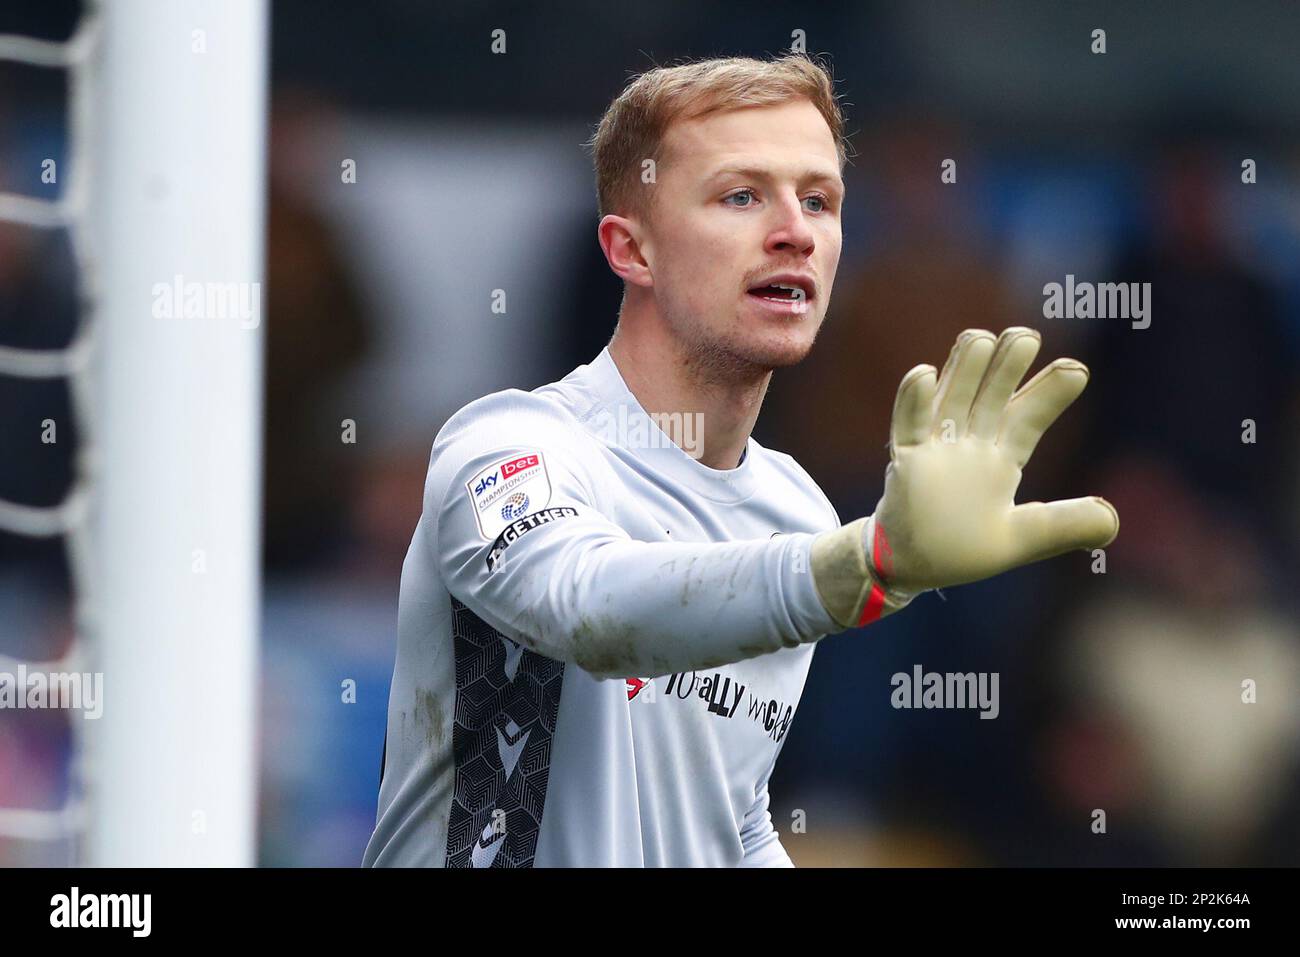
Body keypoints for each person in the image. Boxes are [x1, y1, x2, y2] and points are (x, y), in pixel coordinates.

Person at [363, 53, 1118, 867]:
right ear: (632, 250)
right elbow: (588, 612)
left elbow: (731, 816)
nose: (796, 229)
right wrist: (864, 567)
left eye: (820, 200)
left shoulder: (794, 512)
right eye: (742, 195)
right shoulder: (511, 448)